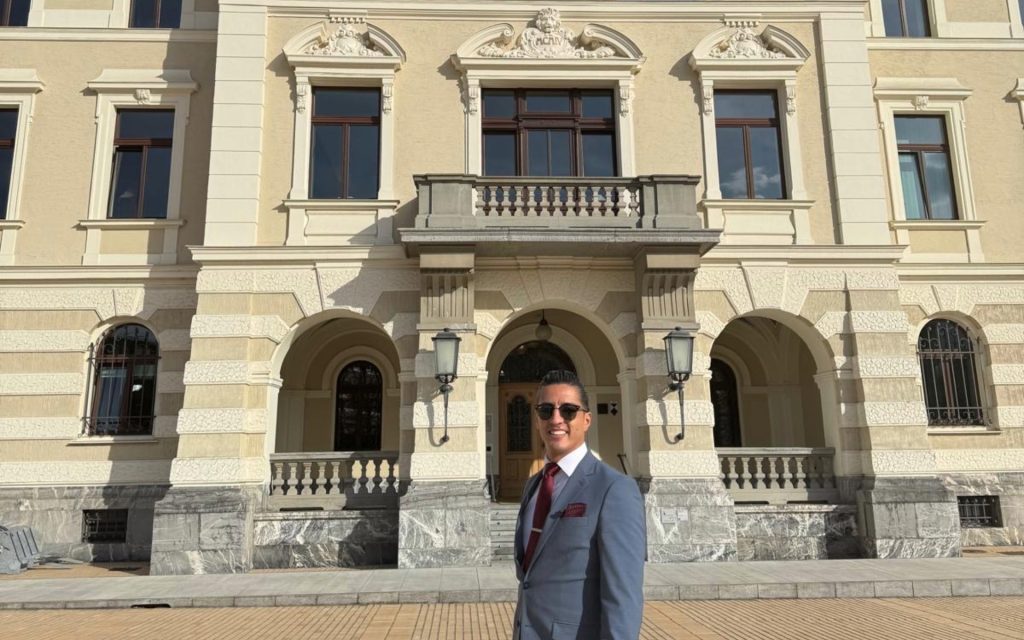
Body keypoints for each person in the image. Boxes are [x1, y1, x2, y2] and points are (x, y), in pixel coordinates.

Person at [512, 369, 646, 640]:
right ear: (537, 420)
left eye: (568, 410)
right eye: (546, 410)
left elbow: (623, 596)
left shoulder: (614, 489)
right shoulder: (533, 486)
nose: (556, 419)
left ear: (586, 420)